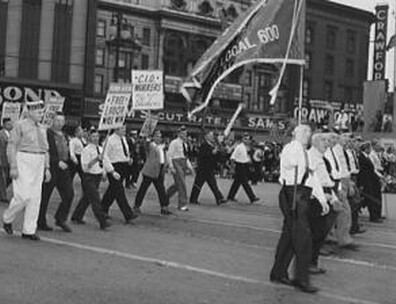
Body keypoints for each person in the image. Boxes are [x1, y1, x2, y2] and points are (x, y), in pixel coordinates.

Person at [270, 125, 327, 293]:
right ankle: (301, 279)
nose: (307, 134)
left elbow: (311, 177)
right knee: (304, 239)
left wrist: (322, 199)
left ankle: (278, 272)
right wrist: (300, 154)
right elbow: (289, 163)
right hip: (292, 194)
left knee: (288, 237)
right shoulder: (291, 148)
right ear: (295, 134)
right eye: (303, 131)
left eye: (309, 132)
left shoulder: (304, 151)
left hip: (299, 193)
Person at [2, 100, 51, 241]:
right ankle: (7, 218)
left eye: (41, 112)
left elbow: (46, 149)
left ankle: (29, 230)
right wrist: (13, 166)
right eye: (37, 112)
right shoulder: (19, 125)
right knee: (22, 196)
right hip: (23, 158)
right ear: (29, 112)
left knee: (35, 198)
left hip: (39, 161)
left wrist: (47, 168)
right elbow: (12, 145)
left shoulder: (43, 128)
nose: (40, 115)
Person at [38, 112, 74, 232]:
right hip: (52, 167)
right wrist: (56, 161)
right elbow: (44, 150)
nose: (60, 123)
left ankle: (60, 218)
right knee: (45, 196)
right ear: (52, 121)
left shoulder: (64, 135)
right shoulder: (47, 133)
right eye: (57, 120)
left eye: (62, 121)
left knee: (69, 194)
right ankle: (40, 221)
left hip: (64, 168)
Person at [307, 133, 338, 274]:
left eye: (327, 140)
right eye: (323, 140)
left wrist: (334, 197)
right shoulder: (311, 156)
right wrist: (321, 196)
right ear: (314, 142)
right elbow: (311, 180)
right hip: (316, 197)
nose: (326, 143)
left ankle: (312, 262)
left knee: (320, 232)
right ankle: (309, 263)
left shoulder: (320, 157)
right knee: (315, 232)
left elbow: (326, 180)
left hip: (325, 194)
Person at [70, 129, 112, 230]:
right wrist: (95, 159)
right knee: (95, 199)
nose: (95, 138)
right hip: (88, 177)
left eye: (97, 136)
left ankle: (77, 215)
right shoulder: (86, 150)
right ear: (89, 138)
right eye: (93, 136)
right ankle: (102, 220)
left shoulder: (101, 149)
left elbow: (105, 162)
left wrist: (106, 172)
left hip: (97, 176)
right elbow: (85, 167)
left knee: (87, 198)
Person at [101, 125, 138, 224]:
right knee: (119, 190)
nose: (125, 130)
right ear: (116, 129)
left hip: (123, 166)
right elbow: (104, 156)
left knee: (112, 191)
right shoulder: (109, 140)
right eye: (123, 129)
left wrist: (128, 158)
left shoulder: (123, 139)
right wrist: (107, 171)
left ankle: (102, 209)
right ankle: (128, 214)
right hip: (114, 167)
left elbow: (124, 152)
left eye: (125, 129)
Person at [133, 130, 171, 215]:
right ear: (153, 137)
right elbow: (146, 144)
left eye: (160, 136)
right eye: (157, 136)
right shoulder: (151, 145)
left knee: (161, 190)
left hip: (159, 170)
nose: (159, 138)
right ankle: (136, 206)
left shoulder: (162, 147)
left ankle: (164, 207)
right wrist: (147, 138)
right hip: (150, 171)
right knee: (143, 189)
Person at [189, 130, 226, 206]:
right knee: (198, 184)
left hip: (209, 168)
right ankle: (193, 199)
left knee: (213, 184)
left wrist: (218, 153)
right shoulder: (204, 145)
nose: (212, 136)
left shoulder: (212, 145)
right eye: (210, 135)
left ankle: (219, 198)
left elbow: (216, 155)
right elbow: (203, 156)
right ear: (206, 136)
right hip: (203, 167)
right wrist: (212, 152)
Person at [166, 125, 194, 211]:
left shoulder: (185, 144)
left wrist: (190, 167)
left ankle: (164, 197)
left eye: (185, 133)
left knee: (178, 184)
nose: (184, 135)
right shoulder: (174, 142)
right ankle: (182, 204)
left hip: (183, 162)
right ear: (178, 134)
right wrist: (171, 166)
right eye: (182, 133)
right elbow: (169, 155)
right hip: (176, 162)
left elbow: (186, 156)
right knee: (182, 183)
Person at [226, 133, 259, 204]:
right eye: (245, 139)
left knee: (237, 183)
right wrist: (232, 168)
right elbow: (232, 157)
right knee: (245, 182)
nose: (247, 141)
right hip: (239, 166)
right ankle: (252, 197)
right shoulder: (239, 147)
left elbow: (246, 157)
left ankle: (230, 196)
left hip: (245, 166)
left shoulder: (246, 147)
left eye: (248, 139)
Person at [358, 142, 383, 223]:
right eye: (369, 148)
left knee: (373, 198)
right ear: (366, 149)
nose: (370, 150)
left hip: (371, 180)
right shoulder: (362, 157)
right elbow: (364, 172)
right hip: (367, 181)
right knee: (371, 199)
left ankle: (376, 215)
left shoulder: (366, 157)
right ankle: (373, 216)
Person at [0, 118, 13, 203]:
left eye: (11, 124)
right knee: (3, 179)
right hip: (2, 159)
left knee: (8, 178)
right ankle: (3, 196)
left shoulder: (12, 134)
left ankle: (2, 193)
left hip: (9, 160)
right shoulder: (1, 134)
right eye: (8, 124)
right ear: (4, 125)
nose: (10, 125)